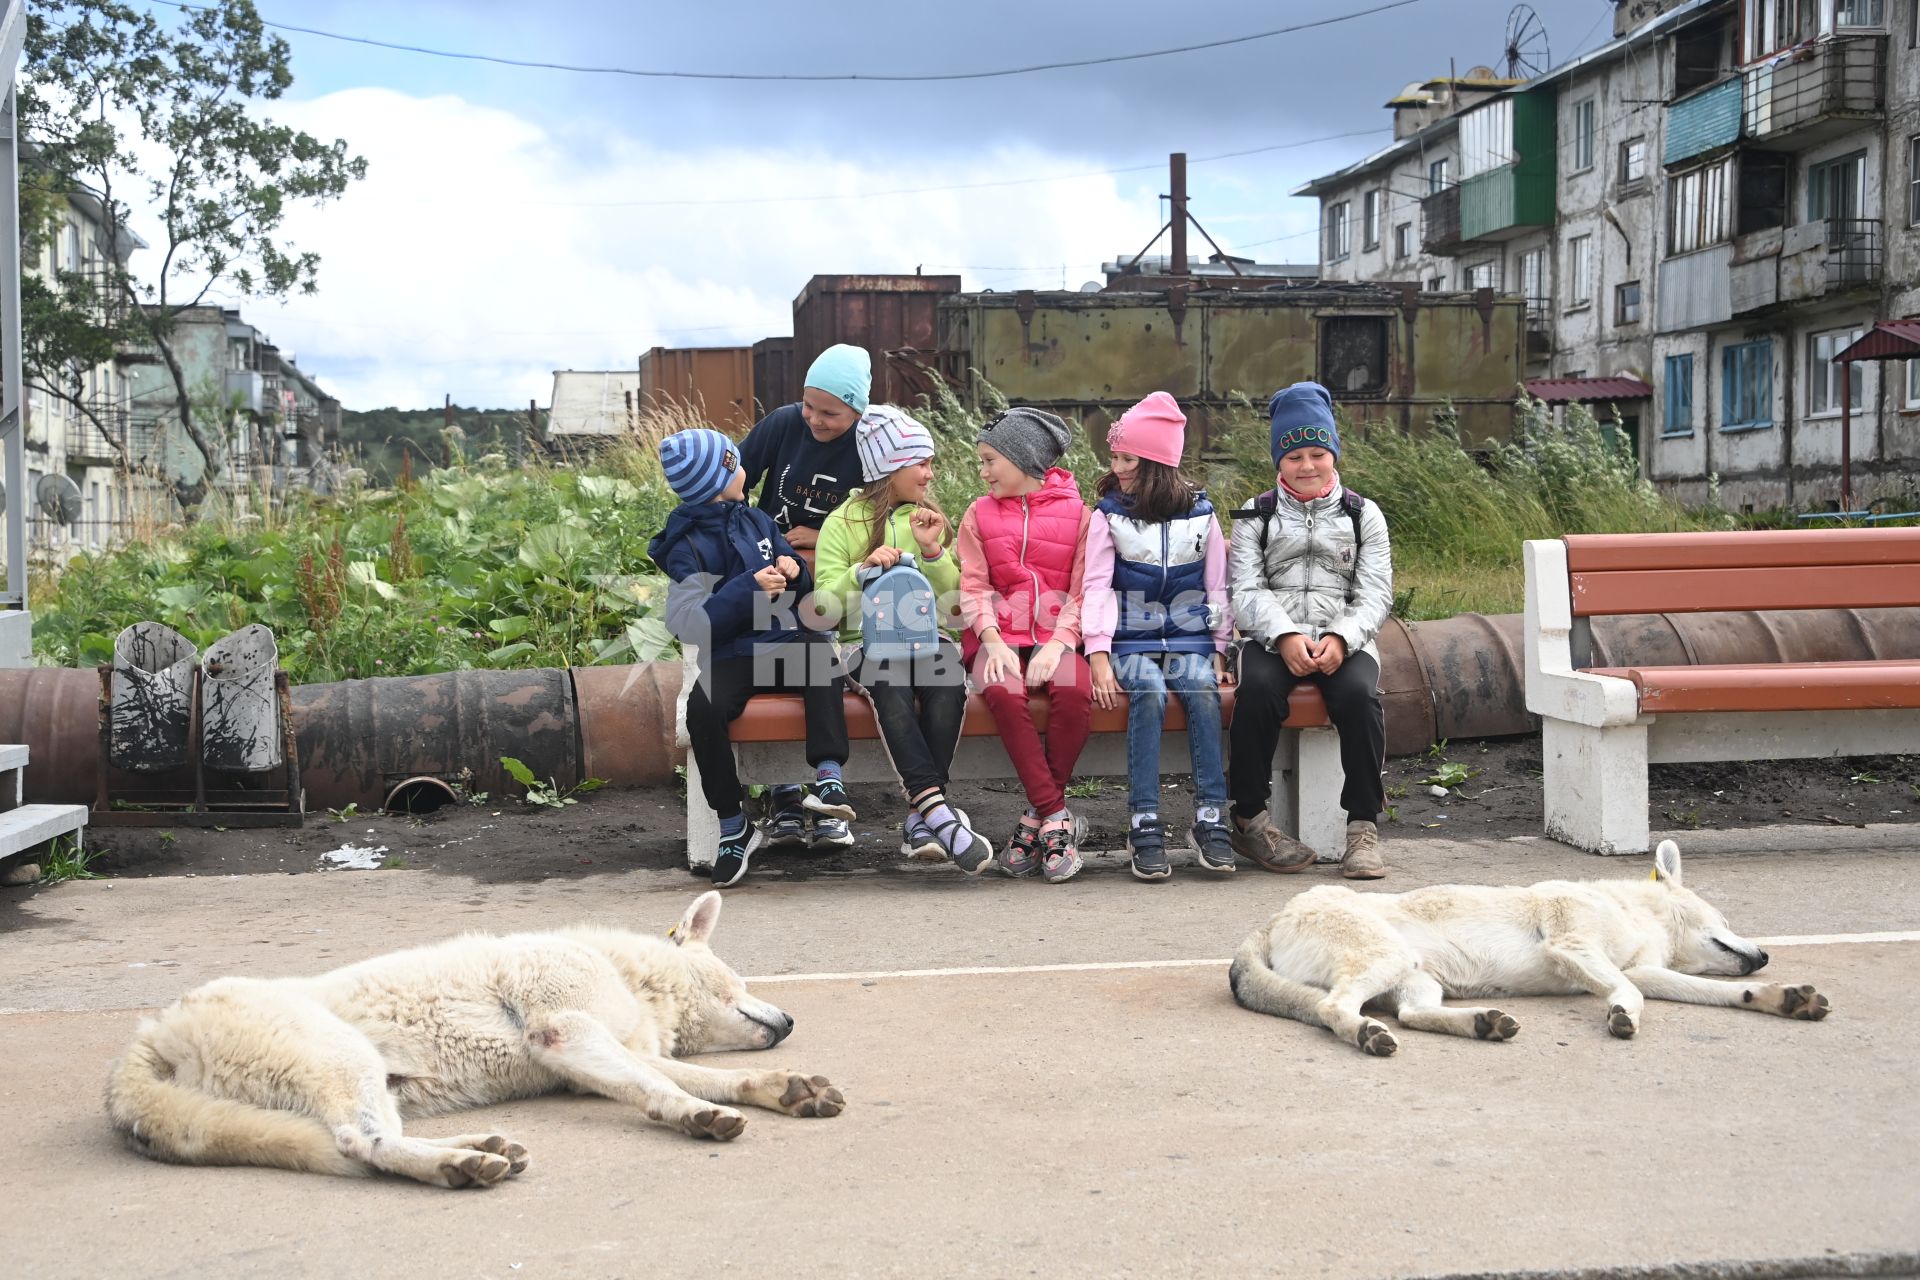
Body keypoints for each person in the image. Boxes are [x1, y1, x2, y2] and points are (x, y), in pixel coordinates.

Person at [649, 428, 857, 888]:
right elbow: (687, 621)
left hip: (782, 643)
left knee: (820, 655)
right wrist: (747, 589)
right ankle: (732, 825)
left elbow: (796, 575)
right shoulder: (685, 546)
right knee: (703, 710)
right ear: (716, 479)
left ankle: (827, 777)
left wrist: (793, 568)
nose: (745, 468)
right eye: (735, 462)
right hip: (731, 655)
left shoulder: (756, 521)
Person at [813, 404, 994, 874]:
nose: (930, 474)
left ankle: (920, 816)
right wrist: (862, 571)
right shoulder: (842, 523)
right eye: (923, 463)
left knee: (947, 683)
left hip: (928, 642)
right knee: (889, 684)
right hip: (863, 644)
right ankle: (938, 813)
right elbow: (824, 609)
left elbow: (955, 611)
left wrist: (933, 552)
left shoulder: (927, 520)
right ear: (889, 467)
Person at [1226, 382, 1393, 880]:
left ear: (1333, 453)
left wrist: (1342, 638)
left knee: (1361, 699)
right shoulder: (1255, 515)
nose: (1307, 465)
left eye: (1317, 453)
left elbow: (1375, 594)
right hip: (1270, 639)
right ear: (1278, 461)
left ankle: (1362, 827)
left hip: (1345, 639)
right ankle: (1250, 817)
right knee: (1255, 692)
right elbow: (1246, 590)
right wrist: (1283, 636)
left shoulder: (1364, 515)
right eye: (1294, 455)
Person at [1082, 392, 1235, 882]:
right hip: (1128, 641)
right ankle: (1143, 821)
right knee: (1146, 690)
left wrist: (1219, 647)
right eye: (1116, 456)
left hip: (1189, 639)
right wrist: (1099, 655)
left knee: (1200, 690)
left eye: (1128, 458)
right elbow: (1096, 587)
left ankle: (1212, 817)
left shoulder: (1202, 514)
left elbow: (1217, 585)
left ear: (1156, 464)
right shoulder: (1108, 514)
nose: (1117, 466)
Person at [738, 343, 872, 852]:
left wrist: (824, 543)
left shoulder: (871, 443)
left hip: (836, 575)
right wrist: (757, 545)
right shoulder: (783, 425)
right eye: (809, 406)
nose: (815, 419)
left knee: (818, 667)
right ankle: (783, 791)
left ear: (858, 409)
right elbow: (735, 486)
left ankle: (826, 784)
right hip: (772, 571)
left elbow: (889, 515)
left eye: (830, 413)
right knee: (773, 666)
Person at [957, 406, 1094, 883]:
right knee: (1002, 690)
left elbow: (1082, 591)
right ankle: (1057, 815)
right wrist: (992, 641)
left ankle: (1035, 819)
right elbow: (972, 586)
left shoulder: (1080, 516)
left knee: (1076, 690)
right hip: (993, 635)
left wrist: (1059, 644)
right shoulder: (977, 513)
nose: (983, 471)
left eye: (991, 459)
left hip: (1056, 636)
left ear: (1026, 460)